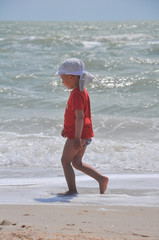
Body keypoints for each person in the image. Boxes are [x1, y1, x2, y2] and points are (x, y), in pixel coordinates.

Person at [56, 58, 109, 195]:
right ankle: (101, 179)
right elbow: (75, 116)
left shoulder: (77, 94)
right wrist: (66, 128)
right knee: (77, 163)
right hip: (83, 133)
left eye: (63, 78)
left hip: (77, 135)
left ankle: (72, 190)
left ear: (72, 77)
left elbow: (80, 116)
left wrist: (77, 138)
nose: (62, 82)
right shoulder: (81, 91)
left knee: (65, 161)